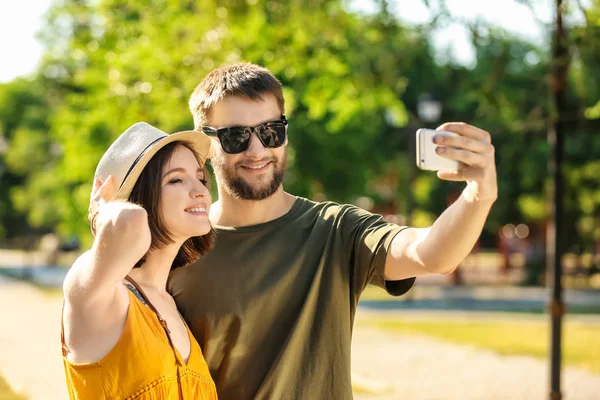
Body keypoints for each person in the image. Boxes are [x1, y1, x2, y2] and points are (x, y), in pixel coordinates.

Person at [164, 62, 497, 399]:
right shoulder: (175, 247)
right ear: (204, 146)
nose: (257, 150)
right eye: (236, 136)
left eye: (270, 132)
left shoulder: (337, 230)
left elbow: (431, 254)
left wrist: (479, 194)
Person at [62, 122, 218, 399]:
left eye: (201, 178)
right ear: (138, 197)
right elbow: (129, 220)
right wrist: (102, 211)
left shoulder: (172, 302)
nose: (201, 191)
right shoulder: (101, 294)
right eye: (176, 179)